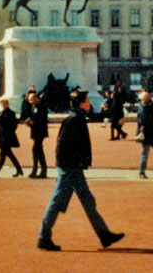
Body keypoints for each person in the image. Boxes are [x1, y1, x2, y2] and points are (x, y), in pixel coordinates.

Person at [37, 91, 124, 251]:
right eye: (87, 101)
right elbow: (62, 147)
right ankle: (43, 237)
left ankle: (104, 235)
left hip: (73, 167)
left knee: (88, 201)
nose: (90, 103)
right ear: (80, 103)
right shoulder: (74, 120)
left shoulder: (76, 118)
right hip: (70, 168)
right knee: (57, 202)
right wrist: (71, 166)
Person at [0, 99, 24, 179]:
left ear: (7, 104)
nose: (3, 105)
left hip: (6, 138)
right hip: (2, 137)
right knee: (10, 155)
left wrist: (9, 132)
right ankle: (19, 169)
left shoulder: (10, 113)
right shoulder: (2, 113)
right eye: (2, 104)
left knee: (2, 157)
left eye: (4, 104)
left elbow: (14, 124)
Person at [22, 92, 50, 179]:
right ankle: (41, 170)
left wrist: (32, 122)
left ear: (35, 98)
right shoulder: (34, 106)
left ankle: (37, 170)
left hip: (40, 132)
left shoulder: (42, 106)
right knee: (38, 151)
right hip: (35, 131)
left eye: (31, 100)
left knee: (36, 151)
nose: (30, 102)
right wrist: (29, 122)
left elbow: (42, 119)